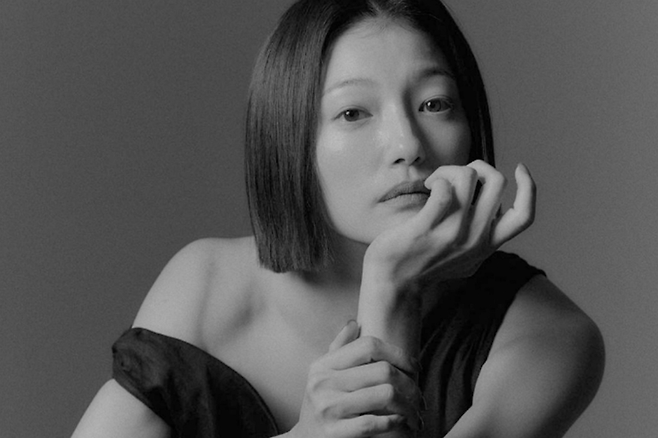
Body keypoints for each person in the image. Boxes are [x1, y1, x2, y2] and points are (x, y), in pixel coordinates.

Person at [72, 0, 605, 437]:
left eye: (435, 104)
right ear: (291, 140)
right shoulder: (207, 286)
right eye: (353, 113)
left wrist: (392, 287)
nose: (407, 145)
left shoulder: (548, 336)